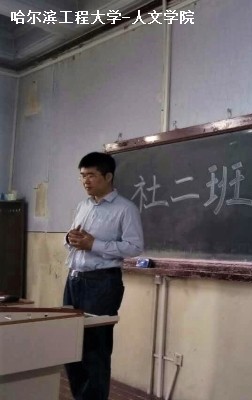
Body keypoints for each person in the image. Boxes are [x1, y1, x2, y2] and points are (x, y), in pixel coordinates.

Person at [63, 152, 144, 400]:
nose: (85, 181)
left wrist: (94, 244)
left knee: (95, 349)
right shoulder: (83, 206)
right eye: (82, 176)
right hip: (74, 280)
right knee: (69, 344)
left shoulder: (125, 209)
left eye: (91, 175)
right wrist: (69, 238)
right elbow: (74, 239)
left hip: (102, 283)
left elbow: (134, 247)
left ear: (108, 177)